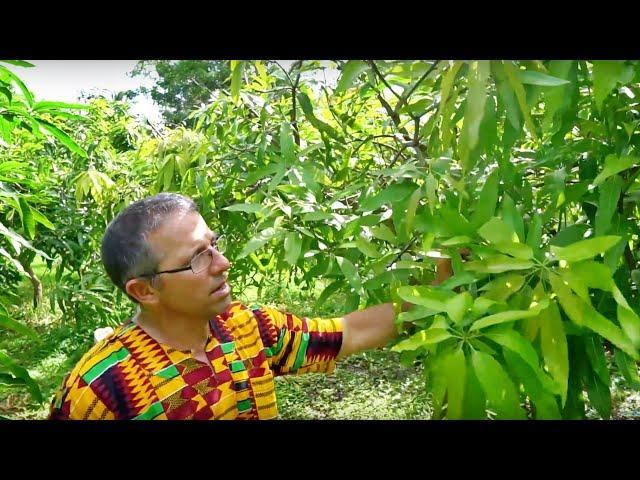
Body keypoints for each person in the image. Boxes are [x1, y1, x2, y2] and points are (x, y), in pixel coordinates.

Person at [48, 193, 451, 420]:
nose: (222, 264)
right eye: (198, 258)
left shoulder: (245, 329)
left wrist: (438, 293)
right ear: (144, 291)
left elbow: (348, 332)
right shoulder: (101, 389)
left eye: (214, 245)